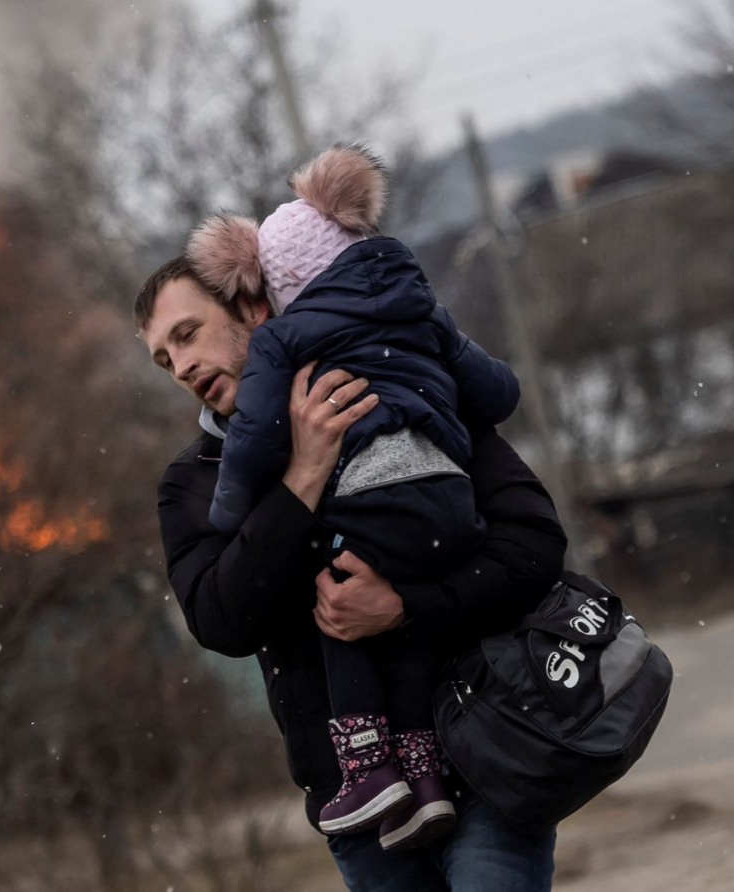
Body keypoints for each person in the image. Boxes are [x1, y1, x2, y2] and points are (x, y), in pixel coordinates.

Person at [137, 254, 566, 891]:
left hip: (485, 759)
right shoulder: (196, 480)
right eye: (163, 359)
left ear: (252, 310)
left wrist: (408, 606)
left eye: (187, 333)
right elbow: (220, 619)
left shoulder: (398, 384)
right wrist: (303, 475)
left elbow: (533, 544)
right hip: (360, 801)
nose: (181, 366)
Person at [182, 144, 522, 846]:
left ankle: (370, 767)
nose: (182, 365)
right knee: (392, 611)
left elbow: (255, 436)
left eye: (187, 337)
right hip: (452, 508)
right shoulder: (422, 312)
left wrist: (233, 505)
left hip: (374, 504)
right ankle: (423, 774)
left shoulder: (285, 338)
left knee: (335, 591)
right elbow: (499, 390)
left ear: (268, 289)